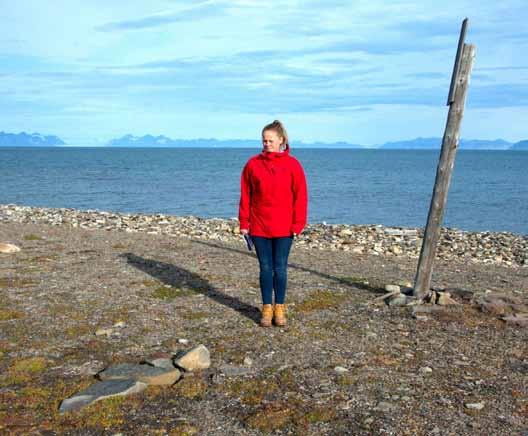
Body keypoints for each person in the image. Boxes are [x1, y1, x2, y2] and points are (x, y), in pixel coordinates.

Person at [238, 120, 308, 327]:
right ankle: (266, 308)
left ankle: (280, 307)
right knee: (265, 268)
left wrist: (298, 224)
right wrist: (244, 222)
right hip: (259, 226)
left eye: (270, 140)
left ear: (281, 141)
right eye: (264, 140)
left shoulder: (293, 165)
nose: (267, 143)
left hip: (285, 227)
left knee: (281, 268)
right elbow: (246, 195)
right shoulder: (252, 164)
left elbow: (301, 196)